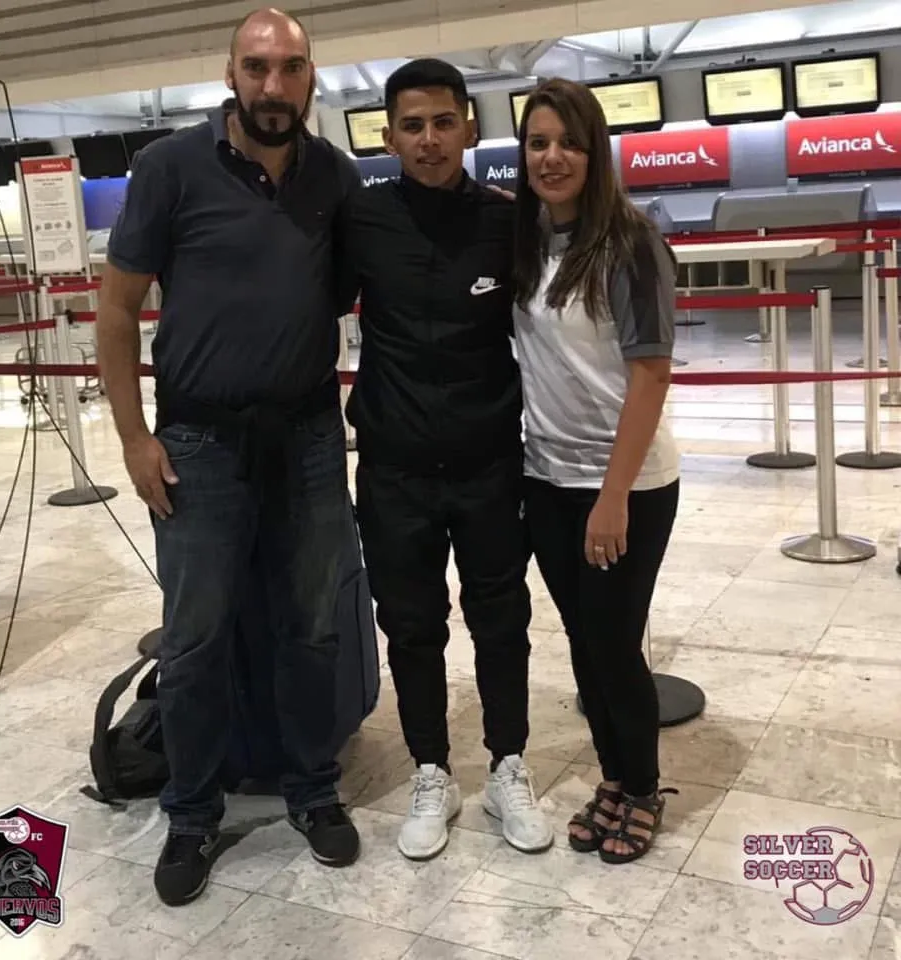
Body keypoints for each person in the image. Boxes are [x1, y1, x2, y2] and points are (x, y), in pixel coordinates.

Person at [95, 8, 362, 906]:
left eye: (290, 68)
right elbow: (117, 310)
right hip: (199, 446)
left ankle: (312, 789)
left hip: (309, 439)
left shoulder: (334, 177)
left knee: (313, 626)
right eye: (257, 67)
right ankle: (192, 813)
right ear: (231, 74)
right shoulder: (169, 167)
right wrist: (135, 438)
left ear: (311, 76)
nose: (273, 86)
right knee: (196, 639)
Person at [339, 58, 553, 862]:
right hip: (394, 468)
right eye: (411, 126)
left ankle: (507, 766)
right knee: (410, 624)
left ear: (468, 126)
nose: (428, 140)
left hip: (488, 462)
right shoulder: (363, 220)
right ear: (389, 137)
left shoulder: (507, 221)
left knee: (502, 620)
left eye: (441, 123)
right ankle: (432, 770)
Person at [511, 78, 681, 865]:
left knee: (613, 646)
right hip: (547, 479)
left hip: (625, 485)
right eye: (538, 142)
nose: (552, 157)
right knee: (584, 643)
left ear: (595, 152)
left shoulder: (629, 243)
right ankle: (614, 777)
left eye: (568, 143)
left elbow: (650, 373)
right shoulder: (526, 240)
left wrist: (612, 498)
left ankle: (642, 787)